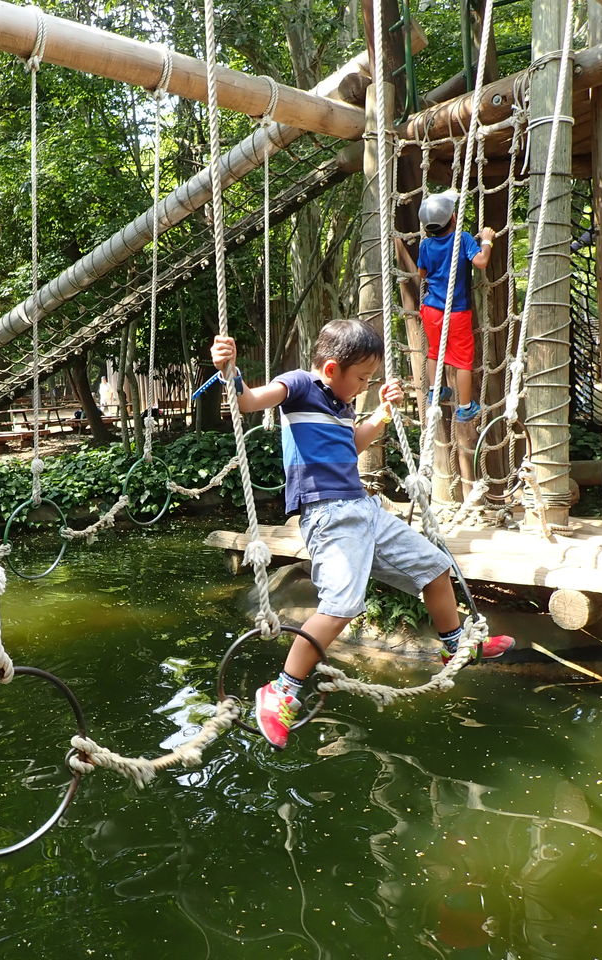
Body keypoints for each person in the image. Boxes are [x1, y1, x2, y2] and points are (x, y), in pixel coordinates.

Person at [209, 319, 513, 750]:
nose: (365, 385)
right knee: (343, 604)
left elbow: (354, 443)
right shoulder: (299, 386)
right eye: (363, 378)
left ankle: (455, 645)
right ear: (331, 368)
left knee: (435, 568)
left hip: (364, 509)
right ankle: (281, 691)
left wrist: (381, 413)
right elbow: (249, 402)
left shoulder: (342, 404)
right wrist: (231, 371)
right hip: (328, 514)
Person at [415, 190, 496, 423]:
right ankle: (465, 406)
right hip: (457, 312)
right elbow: (481, 261)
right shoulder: (463, 238)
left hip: (431, 309)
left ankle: (435, 390)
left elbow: (422, 273)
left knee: (434, 351)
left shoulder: (426, 245)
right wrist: (487, 240)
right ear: (453, 218)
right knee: (462, 360)